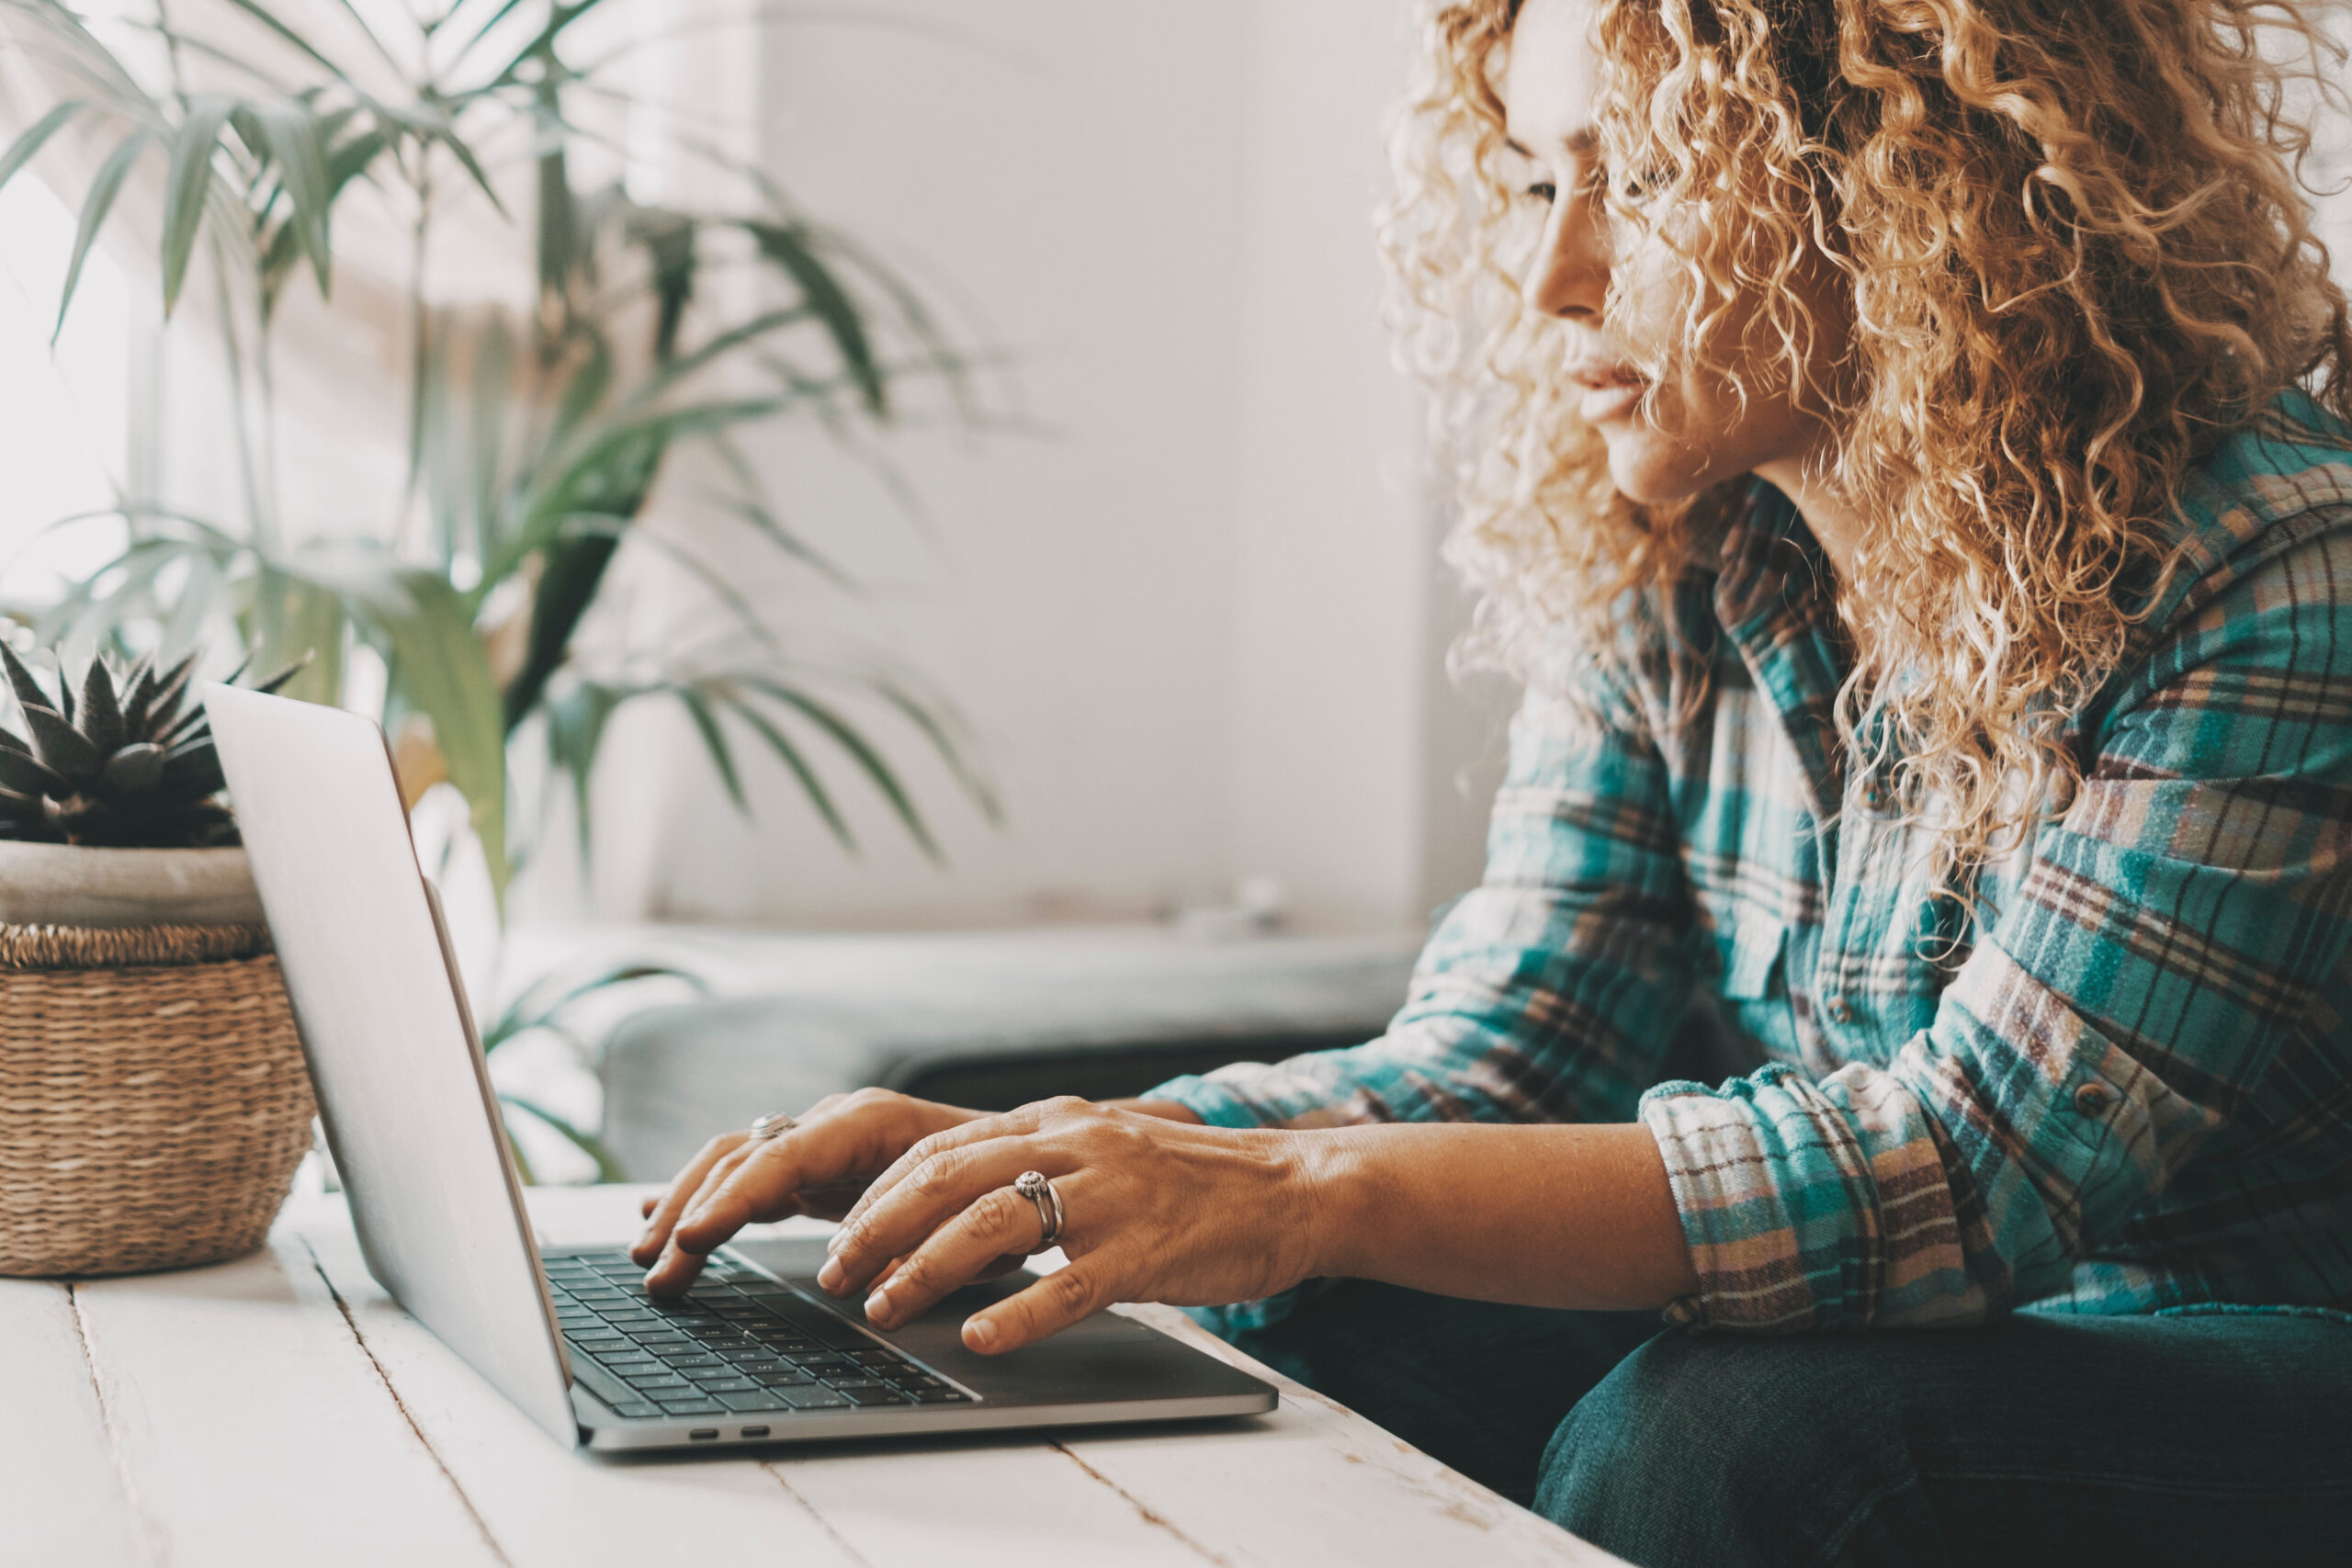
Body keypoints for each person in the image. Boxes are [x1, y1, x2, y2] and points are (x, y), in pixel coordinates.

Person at [634, 0, 2352, 1560]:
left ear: (1917, 188)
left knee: (1737, 1440)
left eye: (1650, 179)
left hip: (2260, 1349)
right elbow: (1514, 1048)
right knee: (1311, 1307)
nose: (1555, 276)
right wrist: (1072, 1162)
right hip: (1962, 1322)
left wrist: (1295, 1194)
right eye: (1534, 185)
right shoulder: (1678, 560)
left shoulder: (2270, 567)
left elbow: (1970, 1175)